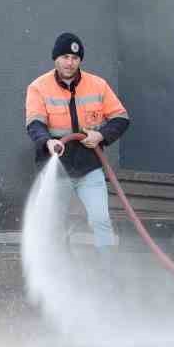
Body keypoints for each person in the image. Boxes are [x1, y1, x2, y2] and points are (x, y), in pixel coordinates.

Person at [24, 32, 130, 249]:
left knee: (100, 220)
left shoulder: (98, 85)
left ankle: (108, 271)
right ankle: (56, 272)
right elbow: (35, 124)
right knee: (53, 224)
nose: (69, 62)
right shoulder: (38, 87)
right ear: (55, 58)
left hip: (89, 166)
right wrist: (48, 142)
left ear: (80, 60)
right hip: (57, 168)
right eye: (64, 57)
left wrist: (101, 135)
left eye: (74, 58)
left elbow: (121, 118)